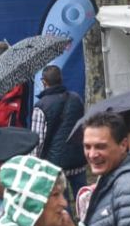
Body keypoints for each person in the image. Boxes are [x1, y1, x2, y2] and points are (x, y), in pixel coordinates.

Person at [29, 65, 87, 196]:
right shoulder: (76, 99)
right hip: (78, 159)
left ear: (44, 82)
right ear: (61, 79)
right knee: (84, 200)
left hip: (55, 165)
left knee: (61, 204)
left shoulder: (40, 106)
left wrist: (33, 165)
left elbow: (37, 141)